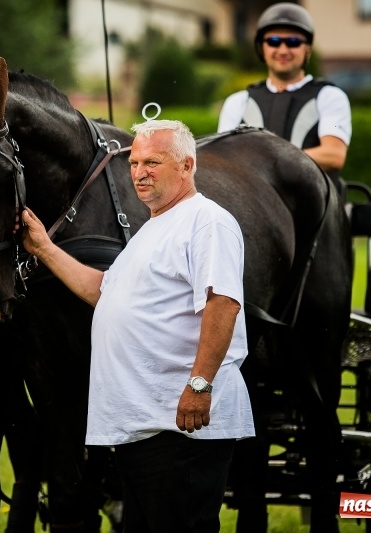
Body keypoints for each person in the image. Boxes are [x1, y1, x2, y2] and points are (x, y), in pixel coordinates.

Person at [20, 119, 254, 532]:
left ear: (187, 165)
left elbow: (222, 304)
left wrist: (199, 386)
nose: (140, 172)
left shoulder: (206, 221)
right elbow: (102, 291)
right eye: (135, 162)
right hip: (143, 426)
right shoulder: (152, 228)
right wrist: (43, 247)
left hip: (181, 427)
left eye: (154, 162)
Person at [217, 2, 351, 182]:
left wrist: (270, 160)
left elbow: (333, 154)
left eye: (293, 42)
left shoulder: (330, 97)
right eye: (273, 41)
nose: (283, 50)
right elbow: (224, 158)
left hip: (313, 202)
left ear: (308, 49)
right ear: (262, 48)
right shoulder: (239, 102)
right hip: (254, 201)